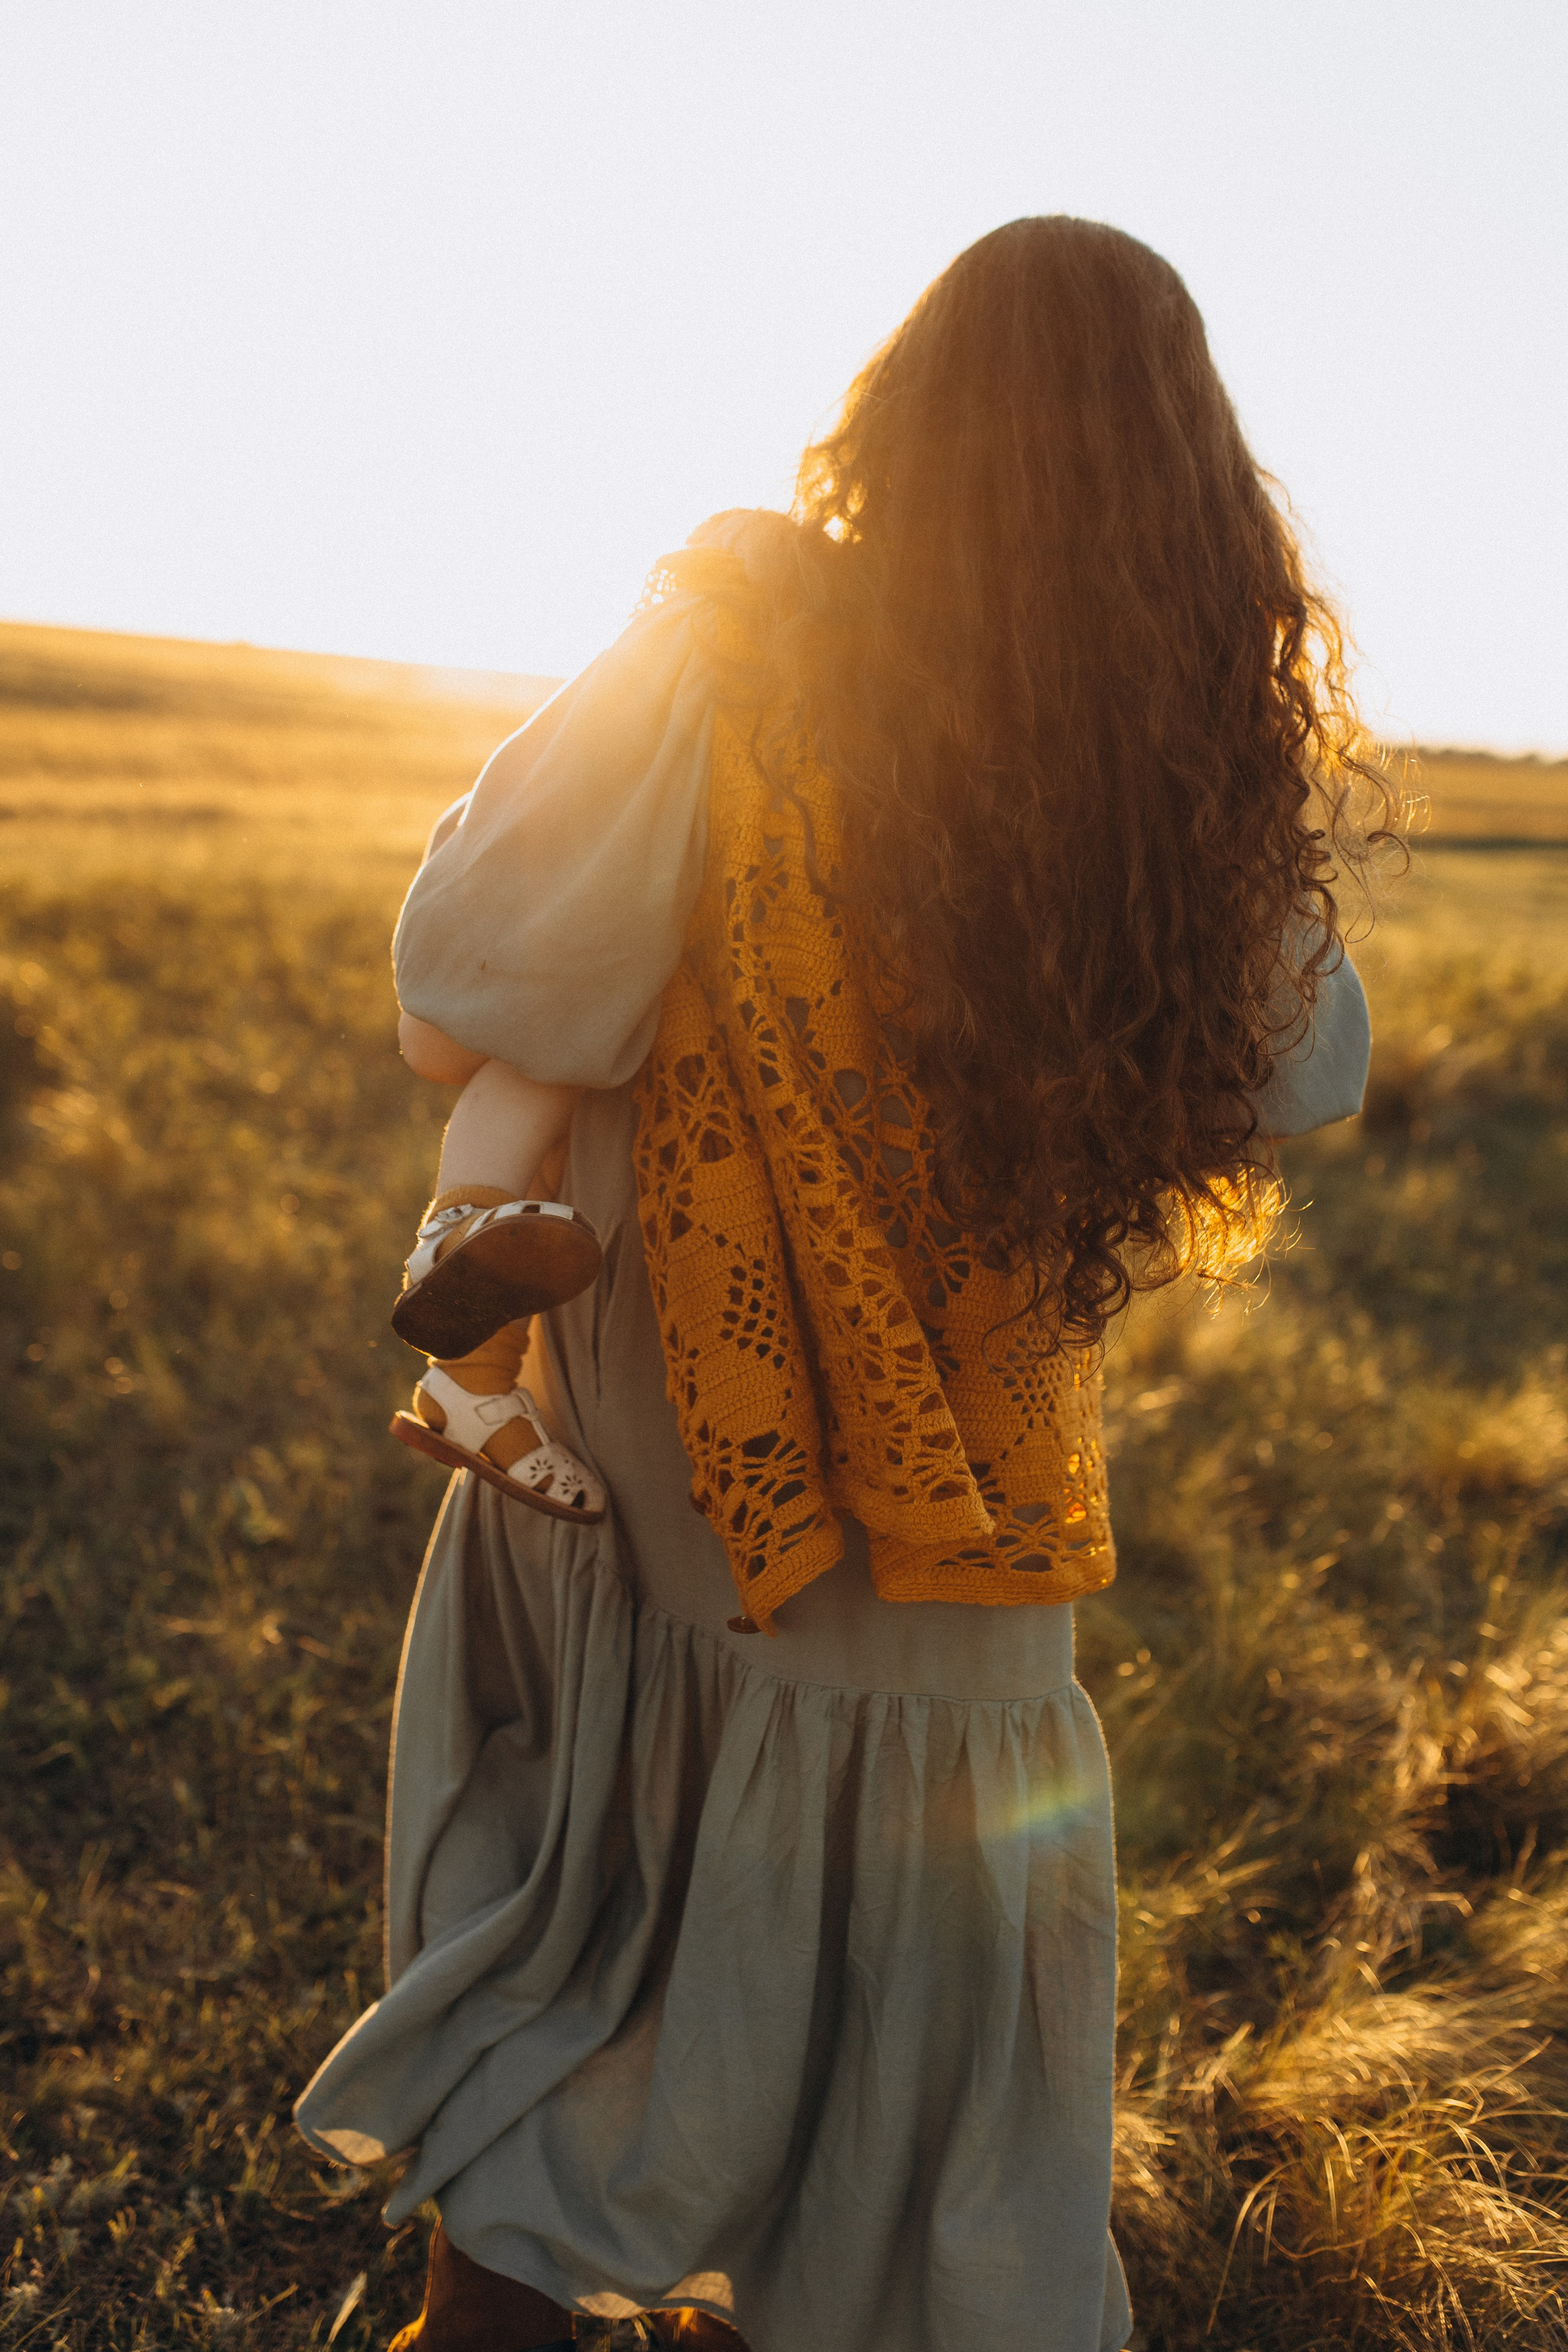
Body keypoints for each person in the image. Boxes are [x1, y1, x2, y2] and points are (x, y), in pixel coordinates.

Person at [295, 217, 1381, 2352]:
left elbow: (469, 995)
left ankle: (491, 2320)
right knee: (913, 1909)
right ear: (1191, 476)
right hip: (969, 1499)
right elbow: (1299, 1073)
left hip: (672, 1409)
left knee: (593, 1863)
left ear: (900, 409)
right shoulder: (1179, 748)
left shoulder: (738, 641)